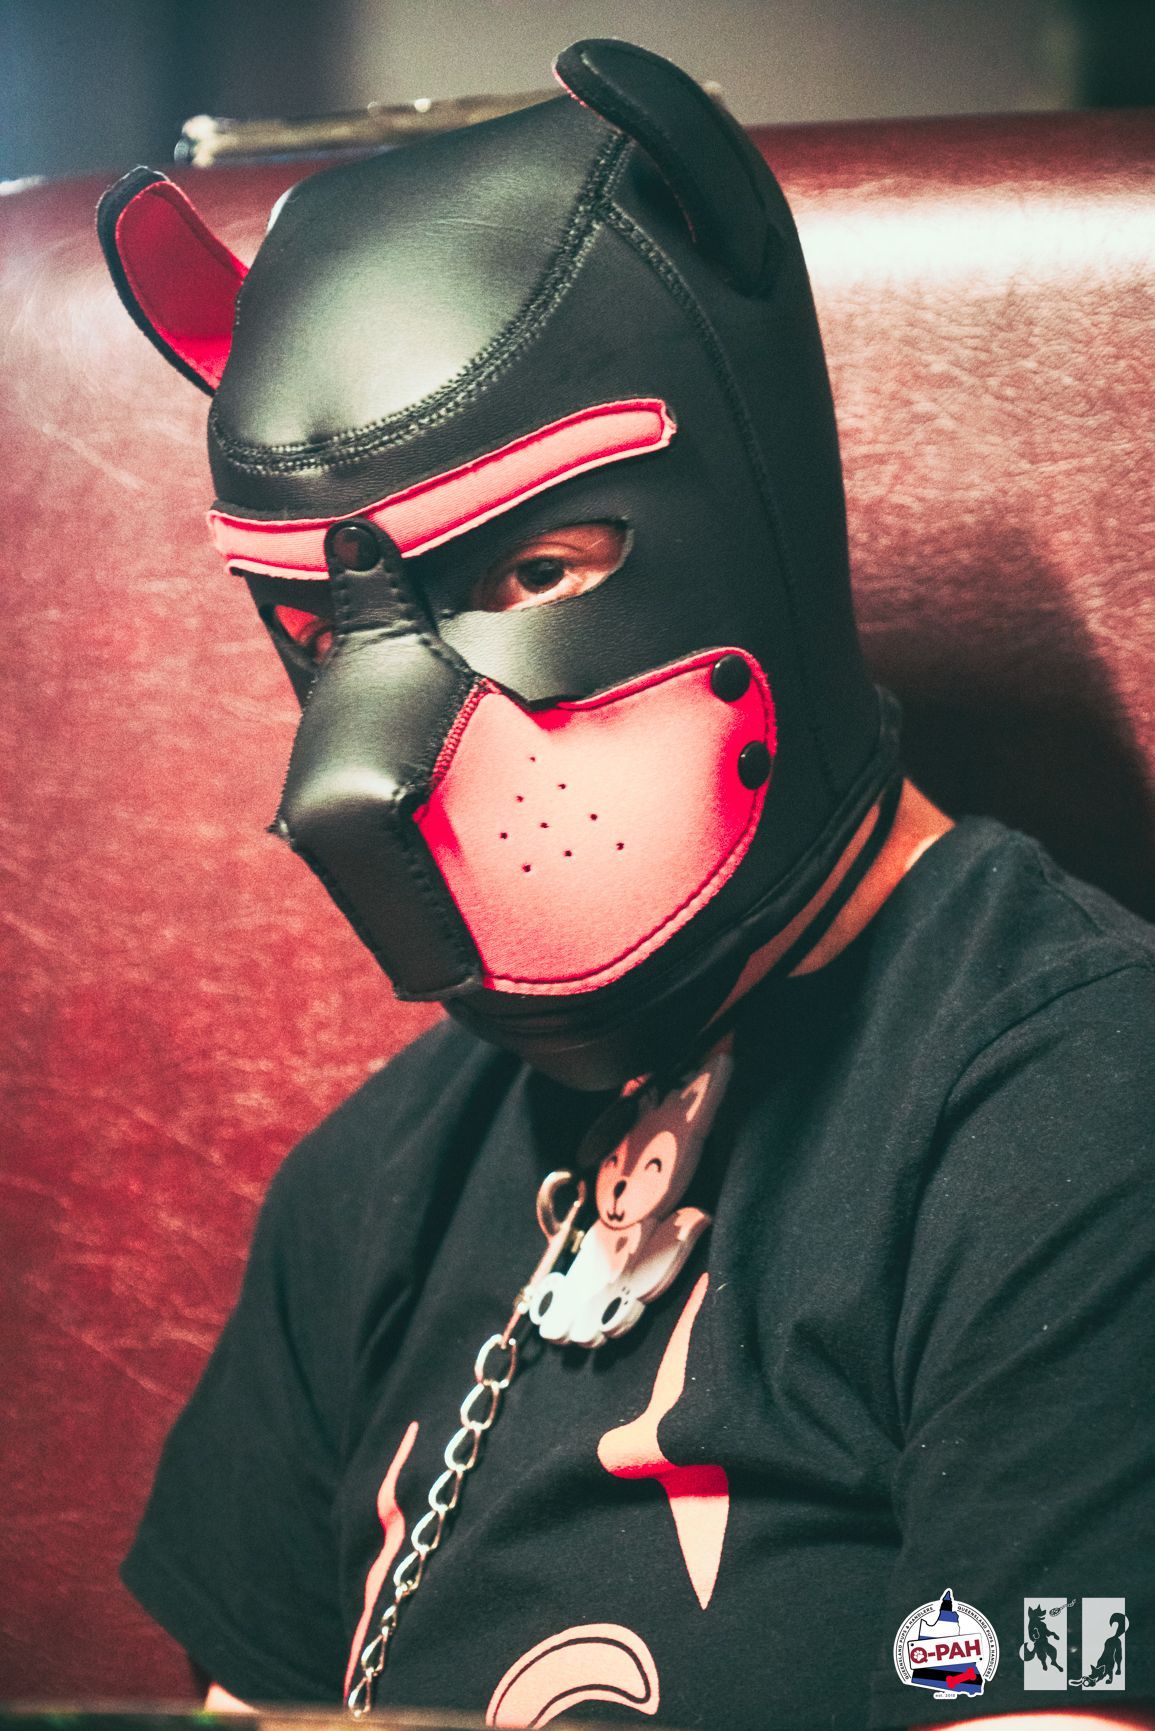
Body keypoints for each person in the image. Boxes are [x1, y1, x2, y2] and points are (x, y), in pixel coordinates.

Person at [97, 38, 1155, 1731]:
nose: (374, 772)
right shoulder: (368, 1190)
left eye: (530, 569)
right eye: (323, 631)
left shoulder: (1078, 1112)